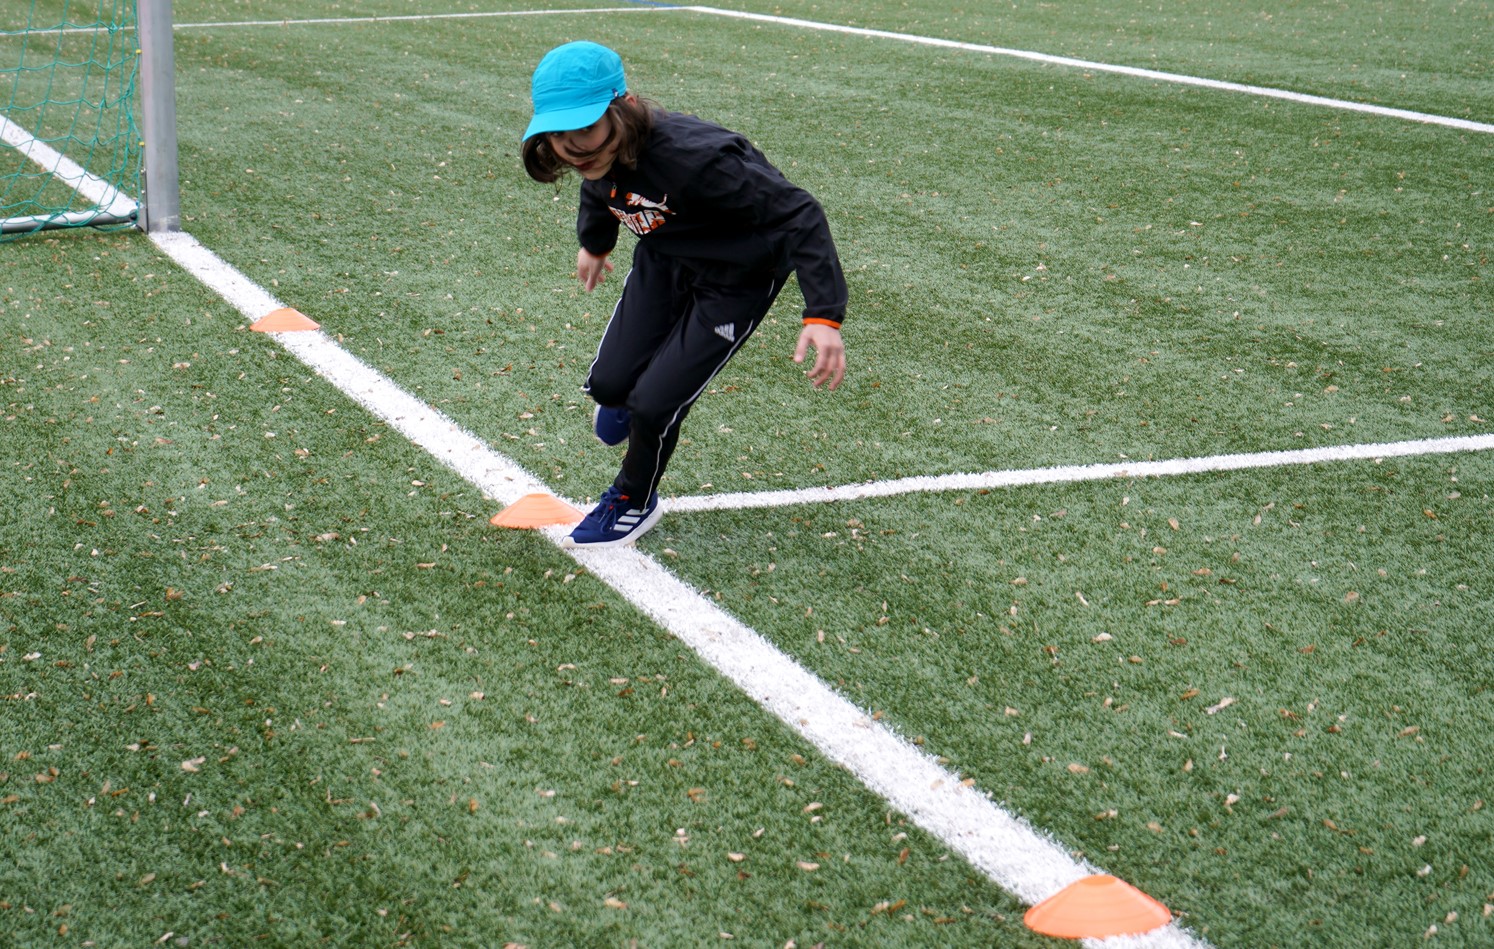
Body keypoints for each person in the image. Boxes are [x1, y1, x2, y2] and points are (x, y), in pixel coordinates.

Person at [520, 40, 848, 548]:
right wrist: (595, 243)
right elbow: (599, 186)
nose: (573, 148)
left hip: (736, 278)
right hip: (667, 257)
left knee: (654, 404)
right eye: (559, 135)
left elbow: (799, 213)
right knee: (609, 384)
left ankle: (633, 499)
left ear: (624, 108)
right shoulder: (598, 155)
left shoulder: (699, 159)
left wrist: (823, 314)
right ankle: (626, 400)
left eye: (584, 129)